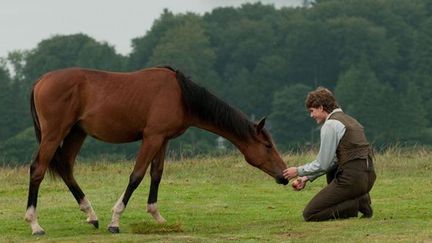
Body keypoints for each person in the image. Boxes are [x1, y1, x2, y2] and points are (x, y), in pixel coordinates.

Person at [283, 87, 376, 221]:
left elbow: (323, 163)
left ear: (321, 107)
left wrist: (298, 171)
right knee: (332, 171)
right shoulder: (351, 120)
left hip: (352, 180)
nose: (311, 115)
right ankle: (360, 199)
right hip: (368, 178)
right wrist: (306, 178)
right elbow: (333, 161)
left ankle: (357, 203)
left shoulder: (331, 124)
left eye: (312, 111)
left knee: (310, 214)